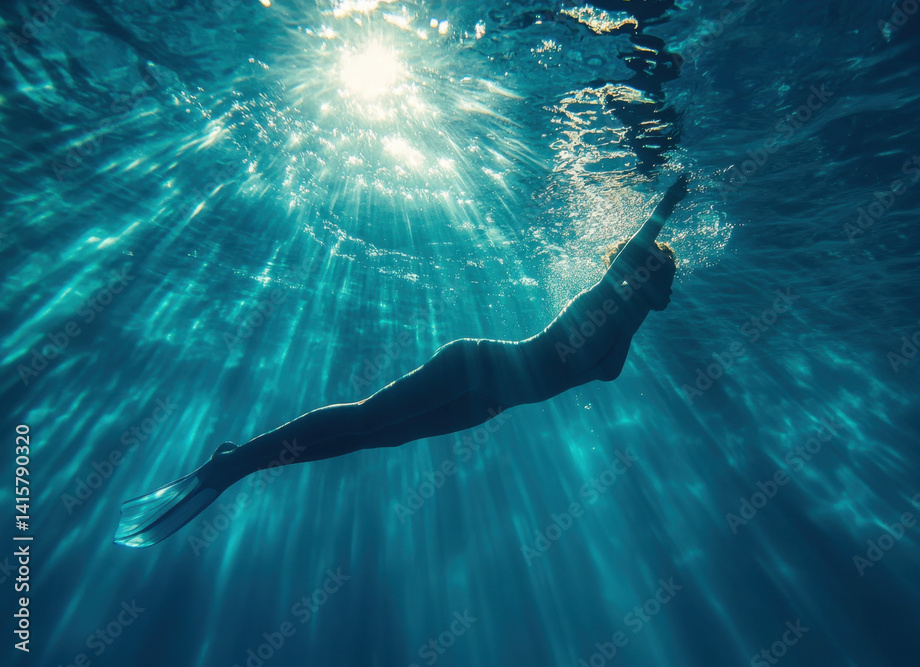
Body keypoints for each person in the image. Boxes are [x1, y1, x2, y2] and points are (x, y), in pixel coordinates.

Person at [114, 173, 689, 548]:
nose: (671, 285)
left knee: (375, 438)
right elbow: (637, 250)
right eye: (665, 273)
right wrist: (667, 203)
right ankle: (235, 461)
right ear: (646, 271)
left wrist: (649, 296)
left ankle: (243, 463)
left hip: (490, 402)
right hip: (477, 368)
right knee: (367, 417)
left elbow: (614, 346)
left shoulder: (626, 327)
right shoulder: (606, 298)